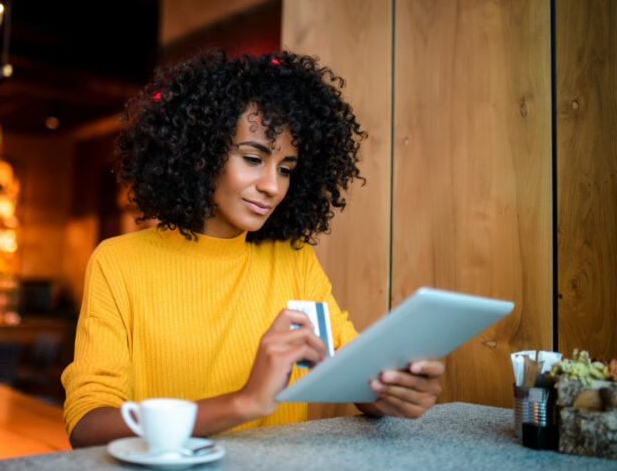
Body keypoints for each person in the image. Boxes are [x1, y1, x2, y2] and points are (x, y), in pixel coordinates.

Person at [61, 50, 444, 448]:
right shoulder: (119, 263)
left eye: (285, 169)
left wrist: (393, 390)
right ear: (199, 155)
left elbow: (353, 373)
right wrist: (243, 402)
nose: (272, 186)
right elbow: (88, 426)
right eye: (252, 158)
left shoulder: (293, 260)